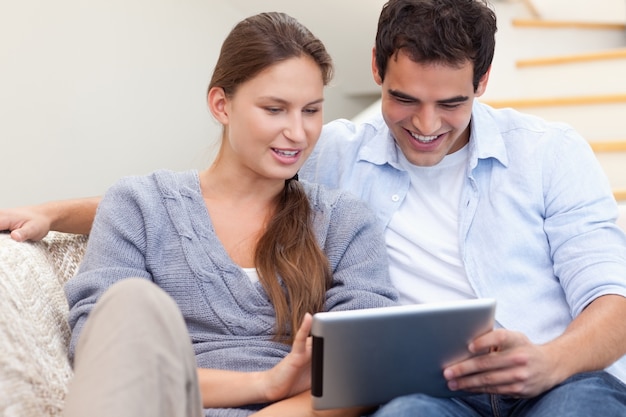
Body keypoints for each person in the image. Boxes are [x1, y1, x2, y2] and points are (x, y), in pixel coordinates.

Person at [3, 0, 626, 415]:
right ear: (378, 69)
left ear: (483, 84)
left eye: (453, 103)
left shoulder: (547, 154)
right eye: (405, 99)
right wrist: (55, 213)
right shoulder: (333, 154)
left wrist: (547, 363)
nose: (428, 125)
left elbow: (613, 297)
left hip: (552, 377)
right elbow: (198, 193)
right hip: (429, 395)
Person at [4, 11, 399, 417]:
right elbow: (106, 361)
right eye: (274, 109)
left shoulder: (344, 221)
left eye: (311, 111)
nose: (298, 133)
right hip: (160, 407)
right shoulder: (138, 206)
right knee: (130, 303)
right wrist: (263, 382)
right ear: (221, 105)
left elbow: (366, 369)